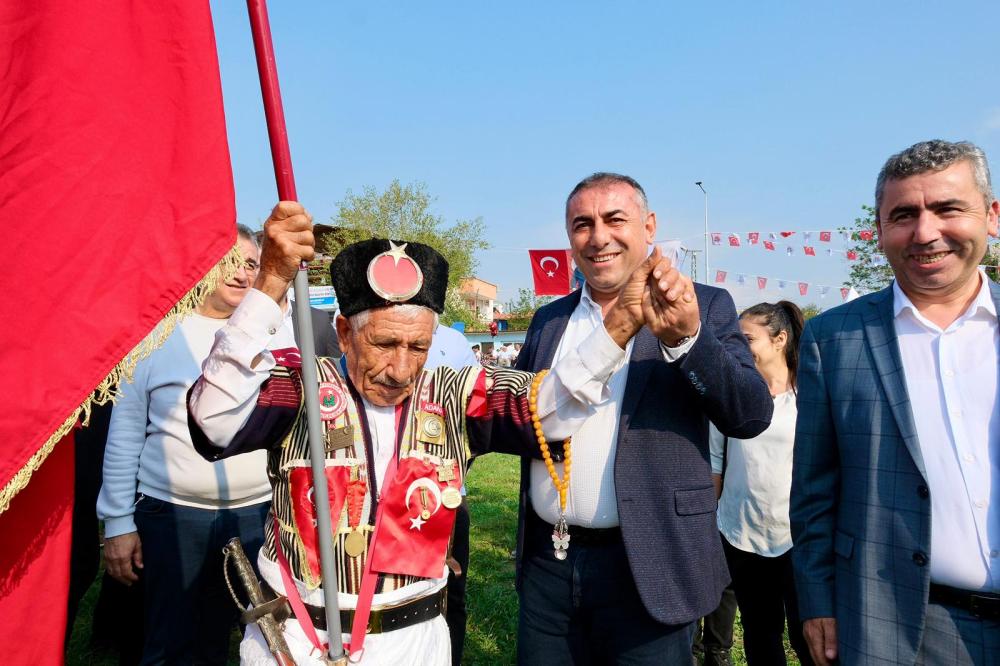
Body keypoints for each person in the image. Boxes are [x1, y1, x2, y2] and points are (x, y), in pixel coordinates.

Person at [185, 202, 686, 664]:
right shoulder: (300, 387)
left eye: (418, 347)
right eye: (384, 344)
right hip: (295, 641)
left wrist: (619, 325)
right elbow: (214, 419)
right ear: (344, 334)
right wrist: (270, 281)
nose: (401, 369)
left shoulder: (456, 393)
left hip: (413, 642)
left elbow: (550, 407)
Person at [514, 172, 774, 664]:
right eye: (582, 224)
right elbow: (518, 416)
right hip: (550, 565)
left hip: (652, 561)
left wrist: (687, 340)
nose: (599, 237)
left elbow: (750, 414)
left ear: (649, 226)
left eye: (615, 219)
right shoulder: (550, 320)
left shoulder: (703, 304)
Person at [791, 139, 1000, 665]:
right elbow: (814, 492)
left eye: (948, 208)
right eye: (904, 215)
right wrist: (817, 601)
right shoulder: (834, 338)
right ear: (880, 231)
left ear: (991, 215)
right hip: (898, 622)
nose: (925, 232)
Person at [97, 225, 279, 663]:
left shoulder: (273, 336)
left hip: (257, 516)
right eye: (229, 262)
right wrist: (118, 523)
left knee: (259, 638)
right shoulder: (155, 336)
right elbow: (124, 435)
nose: (241, 274)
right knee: (170, 640)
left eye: (251, 264)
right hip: (172, 517)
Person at [710, 301, 812, 665]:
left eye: (747, 338)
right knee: (759, 632)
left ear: (780, 339)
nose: (738, 347)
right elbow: (716, 462)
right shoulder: (731, 397)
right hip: (741, 532)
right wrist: (710, 524)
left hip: (797, 536)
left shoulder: (810, 396)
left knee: (807, 634)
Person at [423, 324, 478, 666]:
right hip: (387, 498)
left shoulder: (454, 342)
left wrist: (455, 476)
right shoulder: (374, 325)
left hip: (447, 498)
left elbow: (475, 417)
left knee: (452, 593)